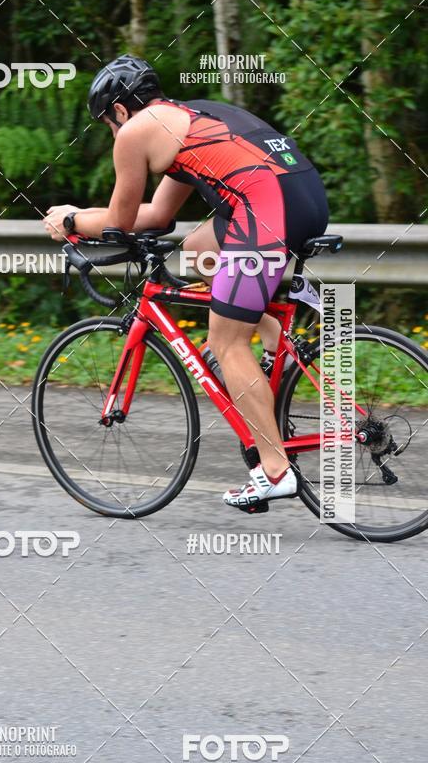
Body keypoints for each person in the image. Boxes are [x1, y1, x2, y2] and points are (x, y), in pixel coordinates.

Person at [43, 54, 329, 509]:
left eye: (107, 123)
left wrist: (72, 218)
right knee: (198, 250)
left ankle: (275, 471)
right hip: (303, 196)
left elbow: (121, 220)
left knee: (226, 342)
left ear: (119, 110)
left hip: (267, 210)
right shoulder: (188, 116)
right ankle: (279, 347)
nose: (112, 133)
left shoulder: (135, 132)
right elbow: (156, 217)